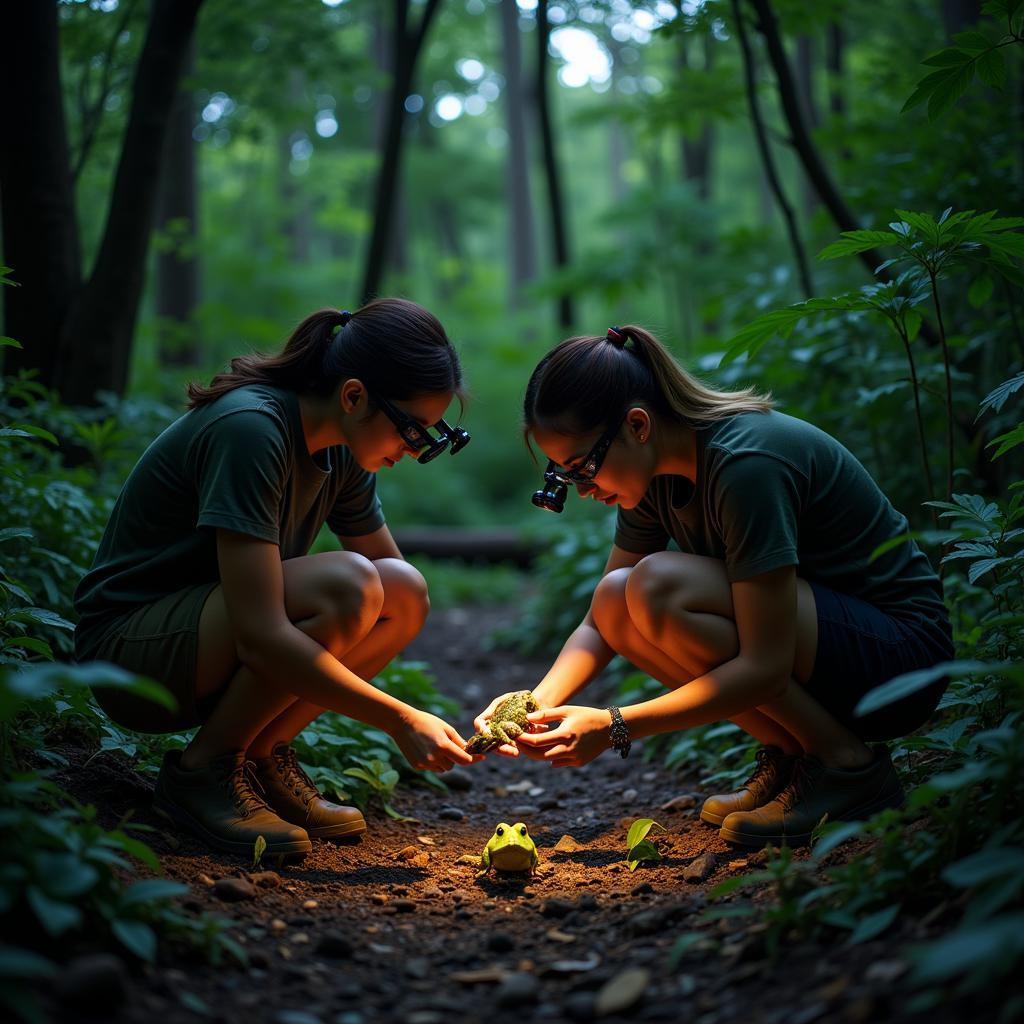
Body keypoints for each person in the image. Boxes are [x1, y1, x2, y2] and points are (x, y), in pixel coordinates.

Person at [475, 324, 954, 848]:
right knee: (618, 595)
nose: (584, 488)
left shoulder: (747, 464)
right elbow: (600, 621)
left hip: (900, 658)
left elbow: (765, 668)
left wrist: (614, 724)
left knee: (656, 585)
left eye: (584, 467)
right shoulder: (653, 474)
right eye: (565, 475)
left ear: (637, 425)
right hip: (823, 645)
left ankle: (848, 767)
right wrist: (531, 705)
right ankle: (798, 758)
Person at [74, 298, 476, 858]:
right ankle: (203, 770)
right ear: (353, 395)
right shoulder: (252, 429)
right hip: (132, 651)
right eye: (412, 429)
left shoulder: (343, 454)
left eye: (431, 437)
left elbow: (397, 592)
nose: (415, 449)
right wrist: (401, 719)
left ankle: (260, 756)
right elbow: (263, 632)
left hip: (207, 635)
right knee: (350, 583)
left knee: (402, 591)